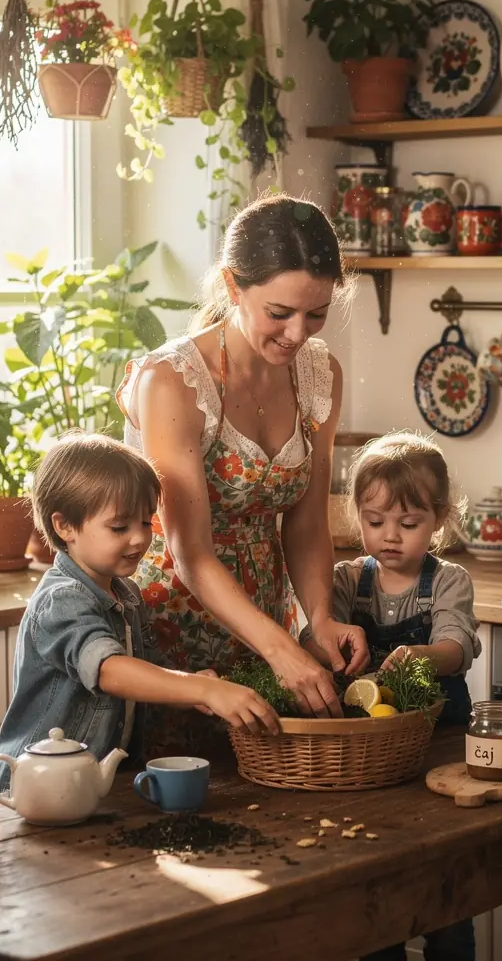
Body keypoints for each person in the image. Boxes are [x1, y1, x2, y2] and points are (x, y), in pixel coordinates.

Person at [116, 195, 370, 757]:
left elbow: (306, 523)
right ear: (233, 286)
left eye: (316, 313)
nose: (298, 333)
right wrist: (281, 651)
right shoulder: (174, 381)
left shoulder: (319, 374)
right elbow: (190, 552)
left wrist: (319, 621)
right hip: (173, 625)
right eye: (279, 313)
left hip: (266, 619)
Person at [0, 433, 281, 779]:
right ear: (64, 526)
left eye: (146, 522)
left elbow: (148, 668)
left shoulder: (127, 594)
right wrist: (205, 690)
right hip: (38, 785)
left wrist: (189, 686)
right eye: (119, 527)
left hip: (93, 783)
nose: (139, 538)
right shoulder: (61, 600)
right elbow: (109, 670)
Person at [329, 430, 480, 961]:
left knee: (447, 880)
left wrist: (421, 656)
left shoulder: (449, 581)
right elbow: (316, 635)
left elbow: (455, 649)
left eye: (408, 523)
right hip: (370, 758)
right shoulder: (347, 579)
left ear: (439, 518)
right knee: (376, 878)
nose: (389, 536)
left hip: (441, 748)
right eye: (374, 522)